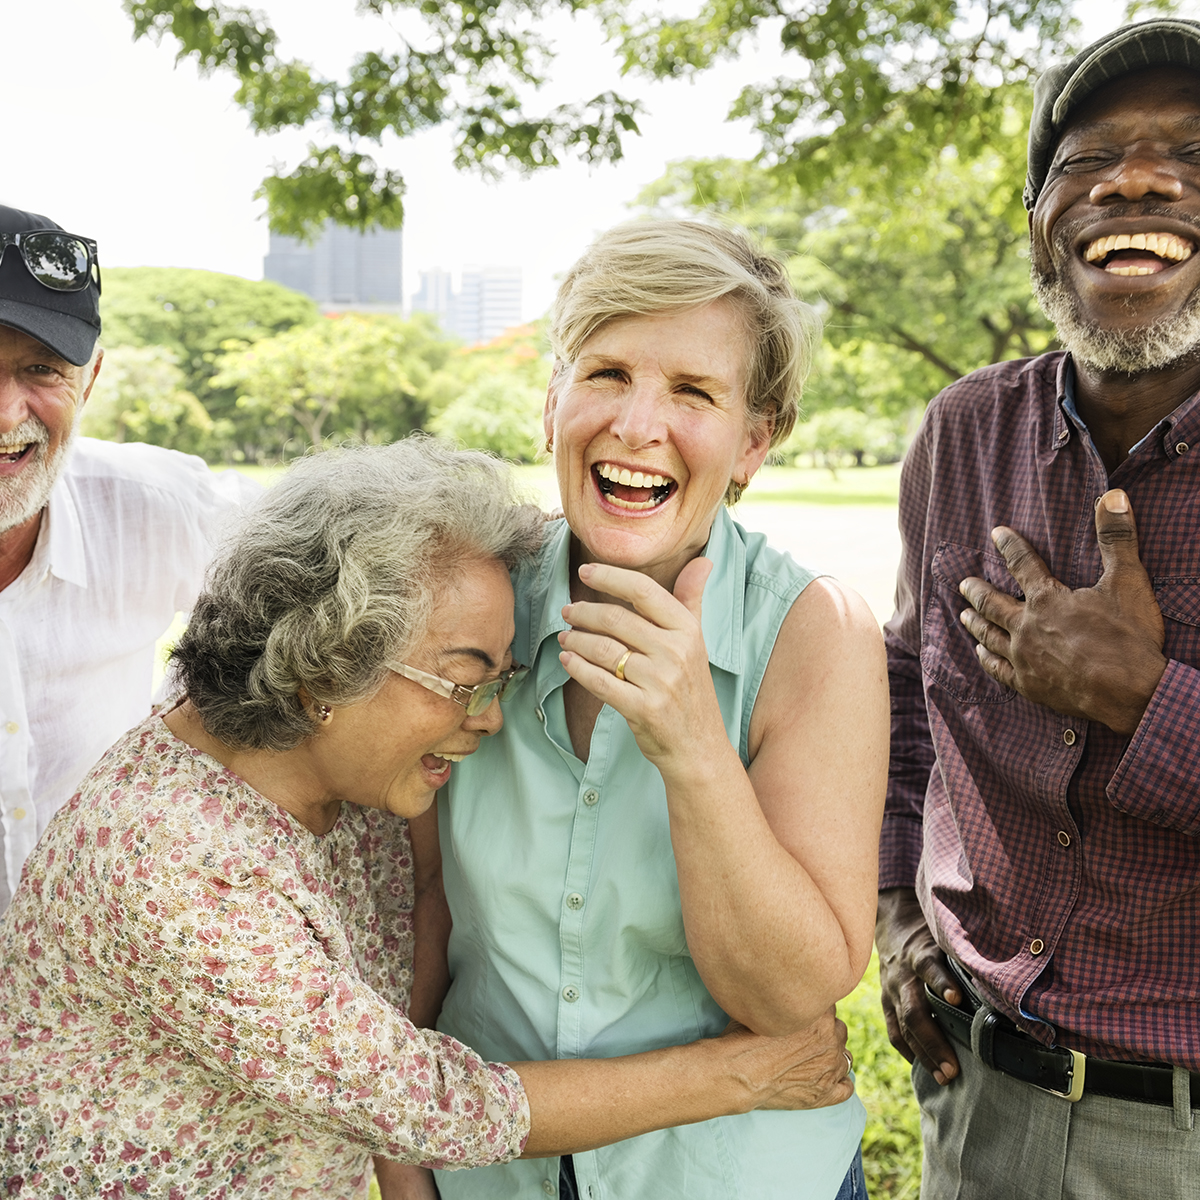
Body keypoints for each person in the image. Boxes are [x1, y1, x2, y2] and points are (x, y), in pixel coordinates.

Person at [0, 439, 856, 1199]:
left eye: (503, 683)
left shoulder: (336, 782)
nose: (489, 717)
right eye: (466, 679)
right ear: (326, 668)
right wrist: (746, 1073)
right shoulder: (174, 865)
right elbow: (432, 1100)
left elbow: (413, 933)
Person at [433, 221, 889, 1199]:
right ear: (551, 403)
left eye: (693, 392)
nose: (639, 426)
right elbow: (409, 932)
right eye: (606, 374)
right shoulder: (465, 603)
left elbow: (787, 996)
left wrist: (692, 749)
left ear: (755, 440)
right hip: (487, 1175)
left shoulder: (817, 634)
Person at [876, 18, 1200, 1199]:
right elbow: (905, 698)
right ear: (1038, 232)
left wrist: (1143, 700)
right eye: (1088, 160)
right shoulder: (964, 433)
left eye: (1191, 156)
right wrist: (894, 917)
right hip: (978, 1098)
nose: (1138, 179)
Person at [0, 203, 256, 912]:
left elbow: (336, 553)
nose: (5, 411)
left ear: (92, 379)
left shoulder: (154, 506)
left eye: (41, 368)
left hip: (93, 978)